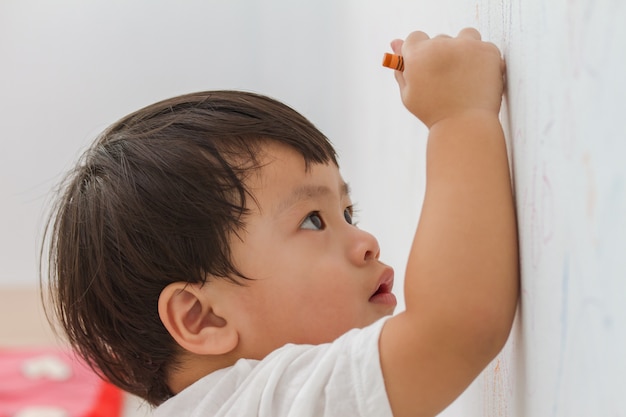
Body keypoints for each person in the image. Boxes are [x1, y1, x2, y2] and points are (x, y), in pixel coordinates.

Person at [43, 27, 519, 417]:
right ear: (201, 316)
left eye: (348, 213)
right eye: (314, 221)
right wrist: (458, 117)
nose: (367, 243)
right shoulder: (266, 401)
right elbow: (456, 326)